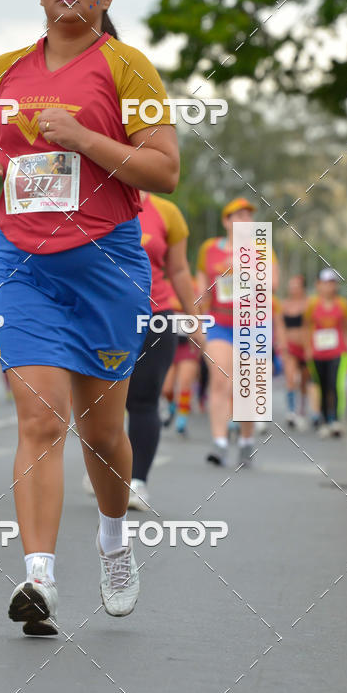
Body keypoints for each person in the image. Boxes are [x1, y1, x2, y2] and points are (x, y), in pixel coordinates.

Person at [0, 0, 179, 635]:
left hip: (107, 266)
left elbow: (164, 171)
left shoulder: (126, 67)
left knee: (105, 435)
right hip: (23, 265)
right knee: (41, 420)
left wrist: (84, 139)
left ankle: (113, 541)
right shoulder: (6, 70)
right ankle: (40, 581)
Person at [125, 197, 204, 510]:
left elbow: (180, 271)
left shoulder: (167, 212)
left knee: (142, 400)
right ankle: (104, 468)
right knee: (98, 401)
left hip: (155, 317)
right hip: (101, 316)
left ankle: (137, 482)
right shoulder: (92, 195)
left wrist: (194, 320)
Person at [196, 198, 279, 467]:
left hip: (252, 323)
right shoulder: (209, 249)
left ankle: (245, 441)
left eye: (248, 216)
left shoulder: (261, 248)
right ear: (226, 221)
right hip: (218, 322)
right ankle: (219, 443)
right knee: (220, 380)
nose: (244, 220)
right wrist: (196, 320)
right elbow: (200, 289)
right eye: (238, 215)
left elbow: (273, 283)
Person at [303, 268, 347, 437]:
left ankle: (336, 420)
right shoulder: (312, 304)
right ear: (319, 285)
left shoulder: (343, 305)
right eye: (326, 283)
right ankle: (325, 420)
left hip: (338, 352)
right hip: (318, 353)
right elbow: (306, 328)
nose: (329, 287)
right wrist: (307, 348)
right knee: (323, 386)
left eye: (332, 283)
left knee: (335, 384)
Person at [161, 276, 203, 437]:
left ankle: (181, 422)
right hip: (170, 341)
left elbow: (201, 307)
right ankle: (172, 406)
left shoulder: (192, 284)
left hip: (189, 343)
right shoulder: (163, 285)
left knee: (185, 383)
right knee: (167, 388)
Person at [281, 274, 309, 428]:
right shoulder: (284, 305)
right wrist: (282, 343)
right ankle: (291, 411)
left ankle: (302, 409)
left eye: (296, 286)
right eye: (291, 286)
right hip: (290, 346)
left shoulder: (309, 304)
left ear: (302, 288)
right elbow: (280, 326)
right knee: (290, 378)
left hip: (305, 346)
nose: (293, 289)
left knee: (304, 381)